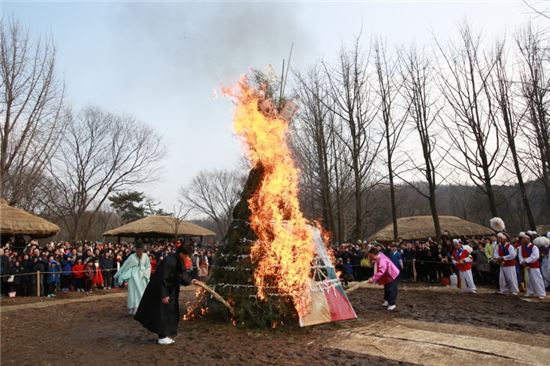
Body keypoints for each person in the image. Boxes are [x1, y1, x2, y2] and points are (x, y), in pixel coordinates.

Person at [134, 245, 192, 345]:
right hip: (161, 290)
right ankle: (162, 337)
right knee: (162, 313)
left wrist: (191, 280)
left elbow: (181, 274)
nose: (187, 258)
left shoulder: (178, 260)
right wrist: (164, 294)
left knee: (168, 312)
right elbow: (162, 277)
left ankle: (165, 334)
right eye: (186, 255)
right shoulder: (170, 261)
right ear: (181, 253)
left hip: (170, 290)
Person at [114, 241, 151, 315]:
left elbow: (148, 266)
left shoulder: (145, 256)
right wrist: (117, 275)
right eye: (138, 249)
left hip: (142, 277)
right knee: (133, 293)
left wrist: (145, 273)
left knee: (142, 292)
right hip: (133, 277)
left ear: (143, 250)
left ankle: (141, 307)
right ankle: (133, 308)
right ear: (136, 249)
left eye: (141, 249)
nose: (139, 251)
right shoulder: (131, 257)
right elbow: (125, 266)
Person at [366, 246, 400, 311]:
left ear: (373, 254)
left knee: (391, 289)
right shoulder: (379, 255)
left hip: (392, 274)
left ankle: (392, 304)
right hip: (387, 276)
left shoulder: (382, 260)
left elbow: (381, 271)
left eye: (371, 256)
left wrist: (373, 279)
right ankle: (387, 300)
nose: (370, 257)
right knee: (386, 288)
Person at [518, 232, 546, 299]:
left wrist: (526, 261)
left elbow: (535, 256)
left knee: (537, 279)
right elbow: (520, 256)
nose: (522, 240)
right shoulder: (521, 247)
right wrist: (522, 262)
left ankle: (541, 293)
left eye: (524, 239)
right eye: (522, 239)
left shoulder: (534, 247)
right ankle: (530, 292)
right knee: (528, 280)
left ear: (528, 239)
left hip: (534, 266)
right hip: (526, 265)